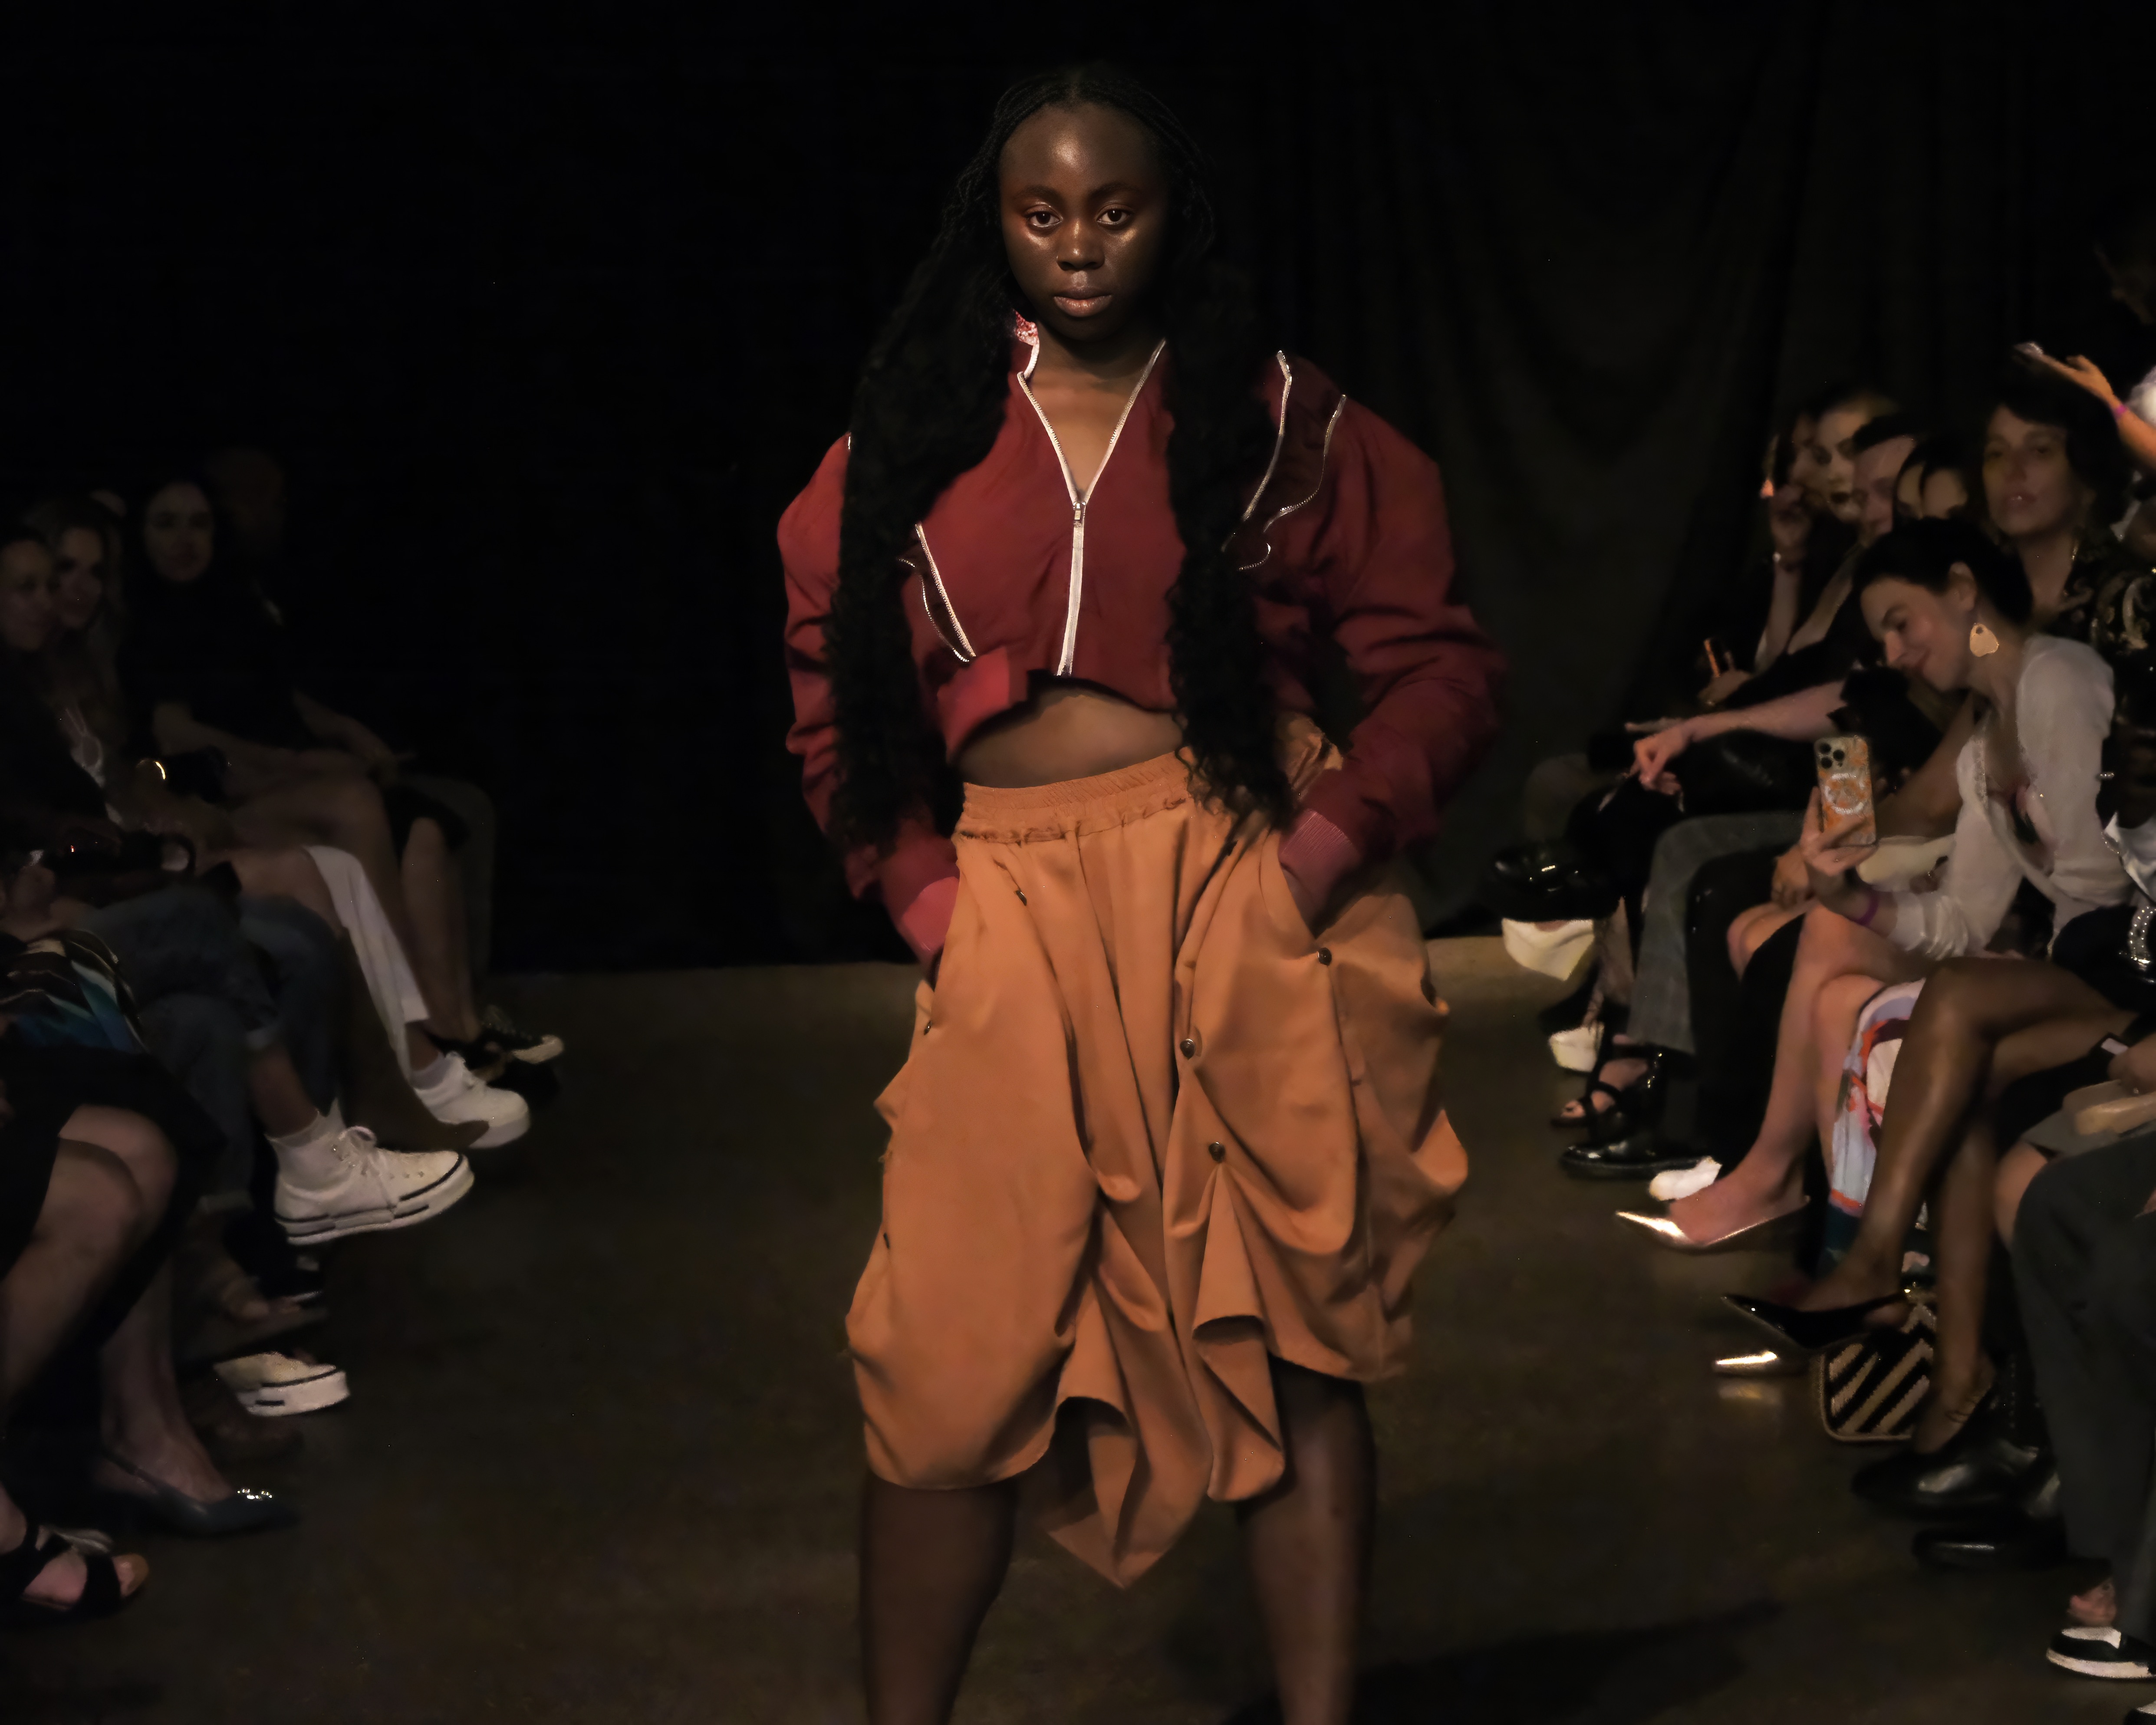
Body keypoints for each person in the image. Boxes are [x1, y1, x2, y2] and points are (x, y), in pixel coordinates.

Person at [780, 66, 1501, 1724]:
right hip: (1013, 908)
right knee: (946, 1355)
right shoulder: (916, 429)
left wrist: (1312, 858)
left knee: (1286, 1336)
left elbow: (1440, 668)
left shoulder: (1274, 418)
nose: (1078, 244)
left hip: (1228, 878)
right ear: (993, 221)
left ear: (1172, 215)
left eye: (1114, 209)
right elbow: (830, 697)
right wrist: (930, 906)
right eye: (1040, 212)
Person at [1623, 518, 2128, 1255]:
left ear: (1963, 589)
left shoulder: (2058, 679)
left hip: (2113, 961)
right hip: (2064, 953)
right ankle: (1858, 1253)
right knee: (1837, 994)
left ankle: (1773, 1182)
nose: (1893, 653)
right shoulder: (1985, 742)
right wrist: (1851, 898)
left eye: (1901, 623)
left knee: (1840, 949)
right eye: (1883, 636)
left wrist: (2024, 957)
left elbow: (2105, 881)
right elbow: (1965, 917)